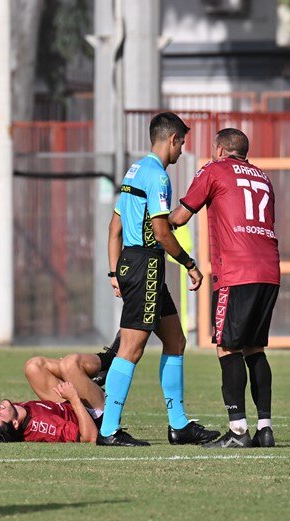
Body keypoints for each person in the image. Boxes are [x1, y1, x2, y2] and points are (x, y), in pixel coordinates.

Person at [100, 112, 221, 447]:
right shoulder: (158, 177)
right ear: (172, 140)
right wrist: (190, 264)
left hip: (131, 263)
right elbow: (161, 232)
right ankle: (108, 429)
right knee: (131, 349)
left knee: (175, 340)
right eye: (181, 143)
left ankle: (178, 425)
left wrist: (114, 272)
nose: (182, 150)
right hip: (146, 266)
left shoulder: (134, 171)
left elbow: (114, 229)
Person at [169, 128, 280, 448]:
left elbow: (180, 216)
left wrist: (153, 224)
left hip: (236, 271)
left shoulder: (214, 169)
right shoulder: (263, 177)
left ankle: (238, 431)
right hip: (269, 270)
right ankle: (265, 428)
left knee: (227, 348)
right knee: (255, 349)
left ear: (219, 149)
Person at [0, 339, 120, 443]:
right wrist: (75, 398)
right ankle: (114, 357)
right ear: (15, 424)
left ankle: (87, 377)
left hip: (68, 405)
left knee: (33, 367)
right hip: (95, 415)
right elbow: (90, 437)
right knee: (69, 364)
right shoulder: (44, 427)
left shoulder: (15, 412)